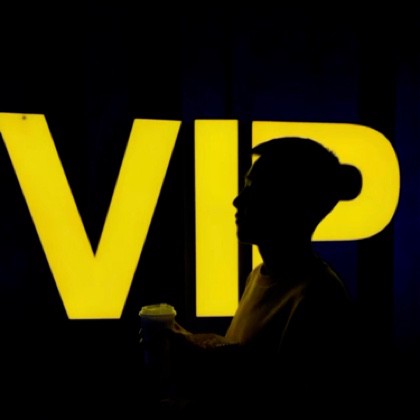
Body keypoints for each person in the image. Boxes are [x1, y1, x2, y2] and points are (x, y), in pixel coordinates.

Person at [152, 137, 366, 415]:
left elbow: (284, 403)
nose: (238, 200)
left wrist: (200, 364)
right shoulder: (258, 276)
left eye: (255, 189)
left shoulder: (318, 297)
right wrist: (197, 345)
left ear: (290, 204)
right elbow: (260, 365)